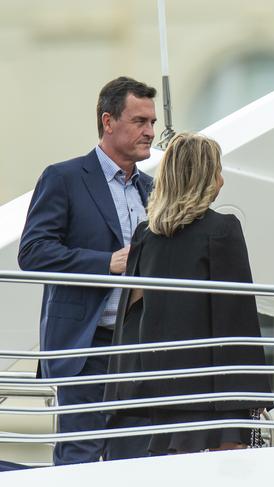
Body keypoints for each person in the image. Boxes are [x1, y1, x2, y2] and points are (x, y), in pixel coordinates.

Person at [104, 132, 273, 454]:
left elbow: (133, 317)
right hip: (209, 401)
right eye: (218, 171)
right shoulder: (223, 230)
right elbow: (236, 322)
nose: (222, 180)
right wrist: (247, 402)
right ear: (204, 177)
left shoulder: (145, 234)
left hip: (152, 398)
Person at [18, 76, 157, 464]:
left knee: (135, 462)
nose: (149, 132)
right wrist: (106, 263)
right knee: (79, 458)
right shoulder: (63, 177)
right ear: (108, 121)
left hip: (138, 349)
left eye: (152, 123)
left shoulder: (153, 188)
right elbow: (32, 252)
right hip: (87, 346)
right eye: (139, 121)